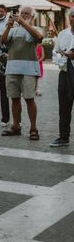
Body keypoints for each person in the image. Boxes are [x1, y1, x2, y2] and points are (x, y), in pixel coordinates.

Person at [0, 6, 43, 141]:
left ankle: (33, 128)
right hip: (12, 68)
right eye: (22, 13)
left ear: (32, 16)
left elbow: (39, 37)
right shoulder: (13, 30)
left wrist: (23, 23)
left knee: (30, 99)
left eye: (26, 13)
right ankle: (16, 126)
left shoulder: (36, 29)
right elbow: (3, 41)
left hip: (29, 70)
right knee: (14, 98)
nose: (23, 15)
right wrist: (8, 26)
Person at [50, 8, 74, 147]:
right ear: (69, 18)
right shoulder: (63, 34)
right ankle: (63, 137)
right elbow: (55, 51)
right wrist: (60, 56)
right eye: (73, 16)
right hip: (65, 74)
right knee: (64, 107)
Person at [0, 41, 11, 128]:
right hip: (2, 70)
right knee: (4, 94)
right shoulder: (2, 40)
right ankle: (5, 118)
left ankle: (17, 120)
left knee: (16, 95)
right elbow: (0, 54)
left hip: (16, 69)